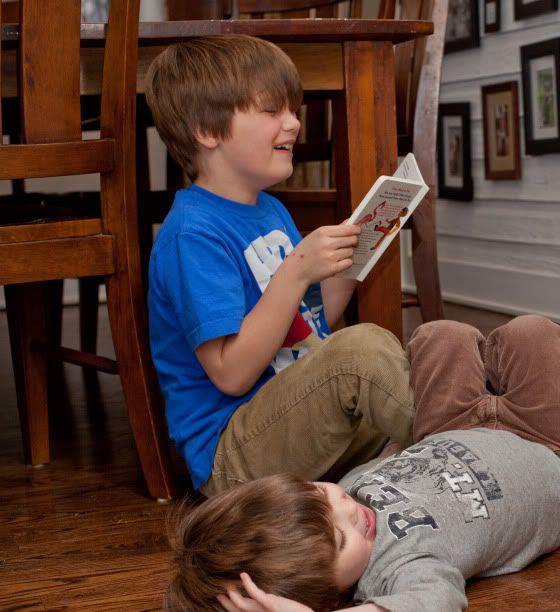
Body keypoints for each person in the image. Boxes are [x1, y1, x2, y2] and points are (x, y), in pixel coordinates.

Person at [163, 315, 560, 612]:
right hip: (547, 449)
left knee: (438, 335)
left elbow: (395, 458)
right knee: (534, 333)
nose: (352, 510)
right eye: (340, 537)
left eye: (323, 494)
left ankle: (487, 382)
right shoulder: (397, 570)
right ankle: (501, 382)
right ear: (330, 598)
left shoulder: (351, 496)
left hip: (455, 430)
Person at [145, 35, 414, 496]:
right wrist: (295, 272)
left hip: (298, 421)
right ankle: (468, 440)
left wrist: (351, 262)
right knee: (362, 352)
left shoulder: (270, 211)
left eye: (292, 109)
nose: (293, 123)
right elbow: (230, 374)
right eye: (272, 110)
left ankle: (448, 437)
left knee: (437, 345)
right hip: (235, 458)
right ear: (206, 131)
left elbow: (303, 327)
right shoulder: (193, 235)